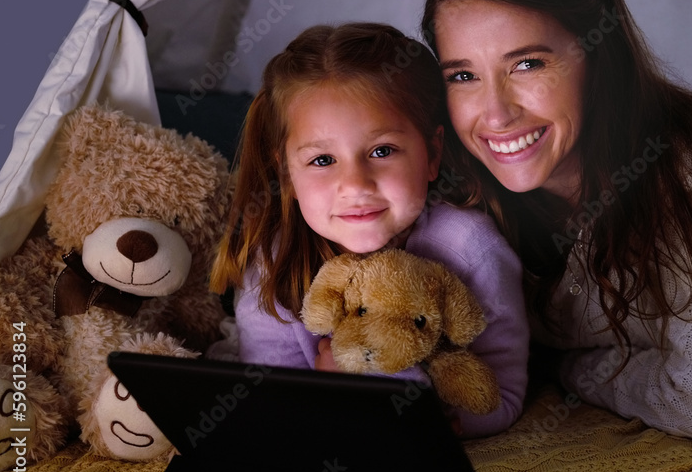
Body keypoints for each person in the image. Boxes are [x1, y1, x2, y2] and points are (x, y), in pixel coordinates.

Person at [420, 0, 692, 441]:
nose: (496, 113)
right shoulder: (446, 183)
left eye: (527, 63)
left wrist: (568, 370)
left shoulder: (681, 174)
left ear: (597, 53)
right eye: (462, 75)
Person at [210, 23, 529, 438]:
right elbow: (274, 399)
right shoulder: (273, 263)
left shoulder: (472, 248)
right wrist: (330, 392)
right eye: (323, 160)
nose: (356, 184)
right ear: (287, 174)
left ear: (431, 155)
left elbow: (502, 398)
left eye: (382, 151)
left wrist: (410, 408)